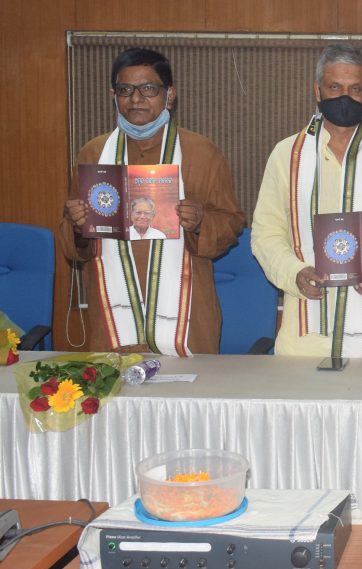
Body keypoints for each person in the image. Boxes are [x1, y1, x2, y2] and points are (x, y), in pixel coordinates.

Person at [59, 48, 244, 356]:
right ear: (113, 95)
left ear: (170, 95)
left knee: (187, 403)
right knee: (114, 399)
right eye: (125, 89)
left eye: (149, 89)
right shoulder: (93, 154)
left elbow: (231, 224)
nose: (136, 99)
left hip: (188, 318)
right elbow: (72, 243)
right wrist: (78, 227)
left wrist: (201, 221)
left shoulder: (201, 152)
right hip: (111, 316)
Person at [252, 45, 362, 358]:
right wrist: (294, 273)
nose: (345, 97)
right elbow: (265, 234)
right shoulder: (286, 155)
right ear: (317, 91)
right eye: (335, 87)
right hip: (302, 337)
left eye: (355, 88)